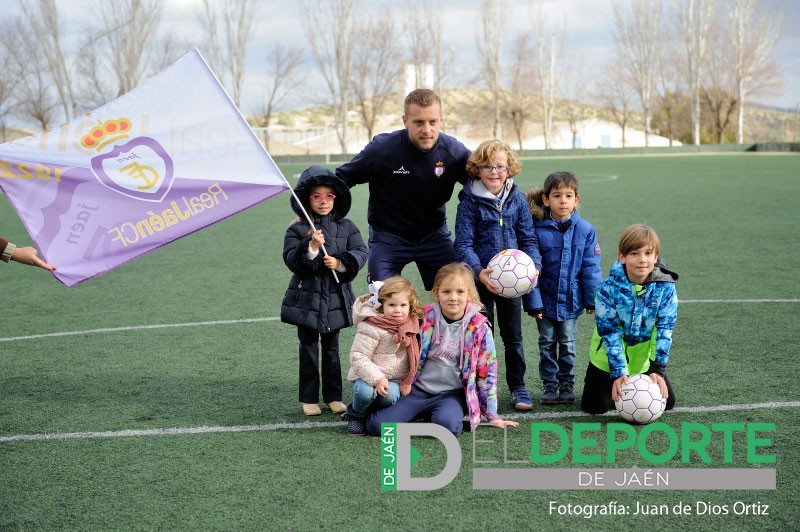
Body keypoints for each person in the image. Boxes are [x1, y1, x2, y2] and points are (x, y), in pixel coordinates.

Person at [336, 88, 471, 291]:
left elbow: (483, 181)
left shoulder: (453, 152)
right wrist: (310, 214)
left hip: (434, 235)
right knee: (381, 296)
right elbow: (341, 179)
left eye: (432, 122)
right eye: (418, 122)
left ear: (441, 120)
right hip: (388, 237)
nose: (427, 129)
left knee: (458, 292)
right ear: (405, 120)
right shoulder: (382, 149)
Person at [365, 262, 519, 436]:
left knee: (448, 426)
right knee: (376, 426)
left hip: (450, 395)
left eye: (460, 292)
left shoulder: (479, 328)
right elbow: (392, 314)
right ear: (436, 293)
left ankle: (435, 420)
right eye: (447, 292)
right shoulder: (424, 317)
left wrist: (491, 415)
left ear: (469, 294)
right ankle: (428, 421)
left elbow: (487, 372)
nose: (453, 297)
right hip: (417, 391)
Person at [453, 139, 541, 411]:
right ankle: (482, 388)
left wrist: (534, 267)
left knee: (513, 337)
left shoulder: (517, 199)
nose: (494, 172)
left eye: (500, 166)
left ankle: (518, 387)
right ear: (477, 169)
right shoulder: (469, 202)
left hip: (511, 285)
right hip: (480, 282)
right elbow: (463, 244)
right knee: (481, 337)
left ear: (509, 168)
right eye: (487, 166)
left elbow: (528, 238)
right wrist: (479, 273)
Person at [280, 166, 368, 417]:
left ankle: (333, 396)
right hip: (306, 299)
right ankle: (308, 398)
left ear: (336, 198)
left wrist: (340, 263)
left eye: (329, 196)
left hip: (336, 299)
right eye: (316, 196)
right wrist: (311, 248)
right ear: (306, 198)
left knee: (332, 349)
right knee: (307, 347)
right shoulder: (297, 228)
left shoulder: (347, 226)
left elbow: (361, 252)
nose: (323, 201)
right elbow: (291, 260)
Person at [580, 224, 678, 415]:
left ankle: (637, 382)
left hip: (642, 362)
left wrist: (657, 369)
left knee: (668, 403)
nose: (642, 260)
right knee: (594, 407)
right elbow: (610, 333)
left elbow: (664, 329)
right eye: (634, 253)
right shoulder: (608, 289)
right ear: (622, 257)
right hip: (607, 361)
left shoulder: (665, 287)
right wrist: (618, 372)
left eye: (648, 253)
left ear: (655, 257)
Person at [527, 171, 602, 405]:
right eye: (557, 195)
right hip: (544, 302)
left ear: (576, 200)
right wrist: (533, 302)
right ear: (546, 199)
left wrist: (591, 300)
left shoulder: (585, 230)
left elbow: (591, 267)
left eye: (568, 195)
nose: (563, 200)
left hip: (571, 301)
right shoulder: (536, 230)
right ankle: (549, 384)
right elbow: (530, 270)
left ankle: (566, 383)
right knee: (547, 343)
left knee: (568, 344)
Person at [343, 276, 423, 436]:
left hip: (394, 377)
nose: (397, 310)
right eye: (391, 305)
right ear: (381, 305)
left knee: (390, 396)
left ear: (410, 305)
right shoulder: (372, 326)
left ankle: (371, 413)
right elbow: (358, 356)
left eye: (403, 305)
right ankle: (356, 415)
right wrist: (378, 378)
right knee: (365, 393)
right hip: (367, 376)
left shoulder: (411, 325)